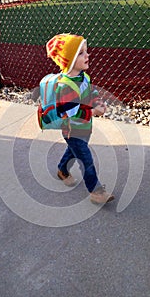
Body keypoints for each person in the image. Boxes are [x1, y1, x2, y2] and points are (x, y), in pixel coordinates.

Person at [46, 33, 114, 204]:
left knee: (72, 151)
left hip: (84, 128)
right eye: (81, 53)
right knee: (86, 160)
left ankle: (62, 170)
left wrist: (98, 102)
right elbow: (66, 112)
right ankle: (96, 192)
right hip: (72, 131)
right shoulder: (65, 86)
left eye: (86, 51)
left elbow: (91, 92)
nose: (87, 55)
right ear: (68, 60)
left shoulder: (84, 77)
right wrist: (92, 111)